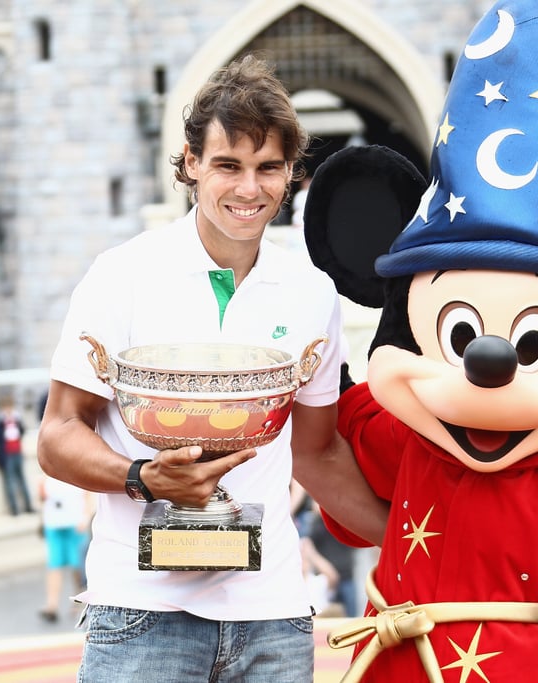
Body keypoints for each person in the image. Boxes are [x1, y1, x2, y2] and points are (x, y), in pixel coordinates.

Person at [37, 55, 386, 682]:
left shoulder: (313, 294)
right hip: (142, 611)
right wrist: (145, 478)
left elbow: (317, 454)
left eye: (267, 168)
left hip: (274, 614)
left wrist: (424, 541)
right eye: (228, 165)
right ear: (192, 164)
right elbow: (58, 436)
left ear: (288, 175)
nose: (248, 189)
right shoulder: (122, 274)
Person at [37, 474, 90, 623]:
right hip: (54, 523)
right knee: (54, 564)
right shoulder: (47, 472)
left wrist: (85, 517)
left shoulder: (73, 466)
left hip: (75, 522)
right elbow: (41, 498)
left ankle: (79, 602)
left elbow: (88, 493)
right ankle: (51, 605)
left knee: (78, 566)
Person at [0, 396, 34, 516]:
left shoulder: (16, 420)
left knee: (22, 481)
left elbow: (22, 431)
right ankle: (14, 509)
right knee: (10, 483)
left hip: (17, 453)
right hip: (6, 456)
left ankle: (28, 506)